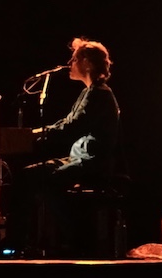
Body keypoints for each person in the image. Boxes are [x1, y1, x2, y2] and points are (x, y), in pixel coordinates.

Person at [18, 38, 122, 253]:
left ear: (87, 62)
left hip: (91, 163)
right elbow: (67, 123)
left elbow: (74, 126)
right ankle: (54, 237)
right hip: (81, 159)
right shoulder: (88, 92)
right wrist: (39, 133)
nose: (69, 63)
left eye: (74, 59)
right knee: (33, 174)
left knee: (38, 177)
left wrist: (38, 135)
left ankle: (73, 238)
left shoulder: (99, 94)